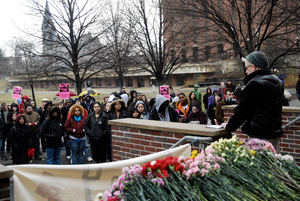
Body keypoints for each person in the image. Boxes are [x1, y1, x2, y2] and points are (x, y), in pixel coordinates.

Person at [221, 51, 284, 152]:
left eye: (247, 68)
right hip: (275, 133)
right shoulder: (277, 81)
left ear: (254, 67)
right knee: (273, 165)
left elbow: (242, 111)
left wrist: (229, 126)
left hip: (260, 136)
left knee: (261, 166)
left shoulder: (255, 84)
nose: (246, 71)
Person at [69, 98, 92, 162]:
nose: (77, 112)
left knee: (81, 152)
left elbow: (86, 123)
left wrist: (84, 129)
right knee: (74, 152)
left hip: (82, 136)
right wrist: (72, 130)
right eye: (76, 111)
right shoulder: (70, 118)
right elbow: (66, 127)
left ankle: (86, 157)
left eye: (78, 111)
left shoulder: (83, 117)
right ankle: (74, 163)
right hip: (73, 137)